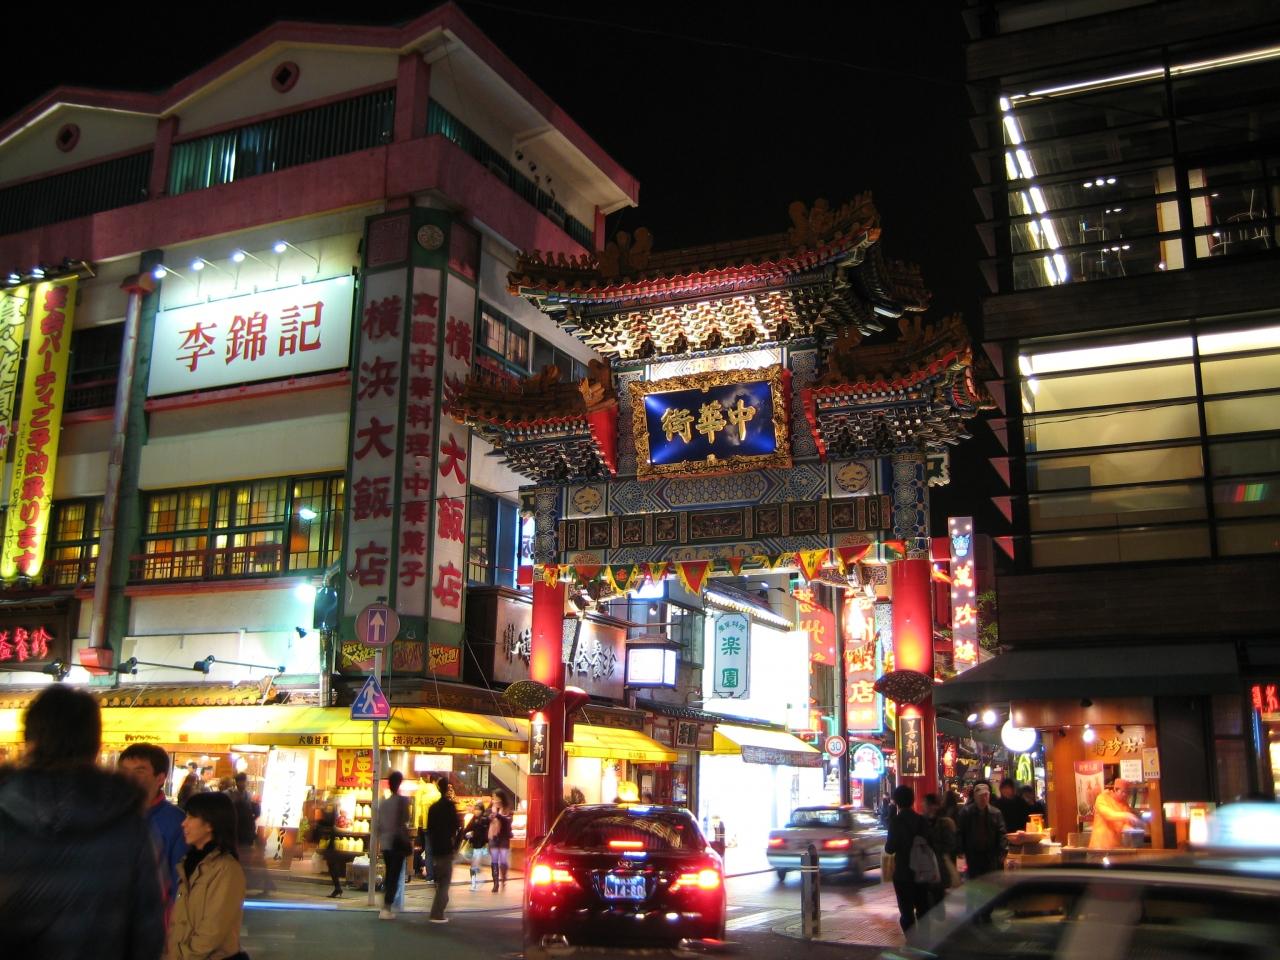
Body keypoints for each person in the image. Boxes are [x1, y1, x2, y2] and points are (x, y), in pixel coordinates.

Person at [0, 685, 165, 960]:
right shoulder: (127, 823)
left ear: (30, 741)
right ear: (95, 746)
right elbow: (148, 932)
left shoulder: (5, 811)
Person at [166, 791, 246, 960]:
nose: (184, 824)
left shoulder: (226, 869)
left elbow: (212, 931)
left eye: (191, 817)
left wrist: (181, 957)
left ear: (210, 824)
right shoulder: (188, 863)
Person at [119, 743, 188, 906]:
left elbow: (179, 882)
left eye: (139, 771)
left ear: (160, 778)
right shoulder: (108, 816)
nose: (129, 778)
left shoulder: (177, 822)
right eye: (124, 771)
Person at [884, 785, 933, 933]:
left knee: (906, 912)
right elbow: (930, 843)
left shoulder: (896, 822)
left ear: (897, 801)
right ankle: (925, 940)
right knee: (923, 909)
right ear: (913, 800)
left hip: (903, 873)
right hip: (921, 871)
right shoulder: (921, 820)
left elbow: (889, 848)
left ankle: (912, 940)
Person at [426, 776, 462, 922]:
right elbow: (456, 827)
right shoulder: (450, 807)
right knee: (445, 881)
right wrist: (455, 846)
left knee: (440, 880)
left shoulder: (433, 808)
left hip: (435, 849)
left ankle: (438, 908)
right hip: (446, 848)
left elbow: (429, 830)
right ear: (447, 788)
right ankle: (437, 913)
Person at [377, 771, 412, 920]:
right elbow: (406, 819)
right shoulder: (403, 801)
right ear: (399, 784)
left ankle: (385, 905)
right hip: (397, 843)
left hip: (385, 843)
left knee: (390, 873)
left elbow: (379, 825)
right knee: (394, 876)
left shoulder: (383, 803)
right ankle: (387, 907)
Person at [957, 783, 1007, 878]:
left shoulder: (996, 813)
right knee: (973, 881)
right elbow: (960, 833)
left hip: (990, 856)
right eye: (981, 796)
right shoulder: (966, 813)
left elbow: (1002, 833)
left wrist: (1003, 851)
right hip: (972, 856)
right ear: (975, 797)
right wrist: (960, 852)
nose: (984, 798)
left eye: (986, 795)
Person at [923, 792, 960, 904]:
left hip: (939, 865)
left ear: (934, 806)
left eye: (925, 804)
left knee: (938, 896)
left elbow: (950, 844)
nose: (924, 806)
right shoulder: (922, 821)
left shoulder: (944, 823)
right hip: (926, 865)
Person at [1089, 779, 1144, 849]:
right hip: (1099, 847)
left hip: (1115, 848)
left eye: (1127, 792)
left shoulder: (1125, 805)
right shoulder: (1102, 798)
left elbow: (1126, 825)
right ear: (1115, 789)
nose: (1125, 795)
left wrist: (1132, 829)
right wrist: (1127, 815)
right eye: (1123, 792)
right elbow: (1108, 815)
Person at [311, 800, 345, 897]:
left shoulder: (330, 812)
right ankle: (337, 888)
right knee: (331, 865)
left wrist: (319, 820)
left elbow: (327, 822)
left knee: (332, 865)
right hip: (330, 841)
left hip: (330, 842)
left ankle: (338, 888)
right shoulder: (331, 811)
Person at [488, 787, 514, 892]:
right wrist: (488, 817)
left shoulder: (507, 808)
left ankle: (503, 879)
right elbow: (486, 818)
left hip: (504, 836)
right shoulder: (491, 807)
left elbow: (508, 821)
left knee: (503, 859)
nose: (494, 800)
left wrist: (498, 816)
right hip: (493, 836)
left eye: (496, 797)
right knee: (494, 859)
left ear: (501, 798)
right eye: (493, 797)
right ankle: (495, 883)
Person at [464, 801, 490, 891]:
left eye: (479, 809)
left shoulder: (484, 820)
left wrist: (473, 834)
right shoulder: (473, 819)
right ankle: (474, 883)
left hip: (481, 846)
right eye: (475, 809)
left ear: (482, 810)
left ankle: (475, 884)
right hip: (474, 846)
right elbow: (467, 829)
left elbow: (484, 834)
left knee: (474, 866)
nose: (477, 811)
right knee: (474, 866)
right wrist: (467, 835)